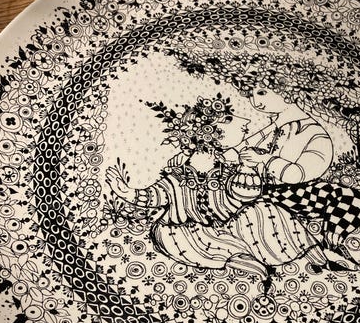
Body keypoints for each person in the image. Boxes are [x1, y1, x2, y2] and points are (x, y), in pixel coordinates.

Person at [106, 94, 327, 290]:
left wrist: (247, 169)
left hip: (226, 222)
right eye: (228, 119)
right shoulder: (178, 176)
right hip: (186, 230)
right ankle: (255, 268)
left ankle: (315, 256)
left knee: (264, 210)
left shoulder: (227, 168)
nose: (245, 122)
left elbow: (244, 197)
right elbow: (155, 195)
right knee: (193, 240)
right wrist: (126, 192)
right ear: (209, 133)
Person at [238, 85, 360, 268]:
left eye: (261, 92)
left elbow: (298, 174)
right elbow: (238, 151)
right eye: (250, 94)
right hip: (265, 192)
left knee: (352, 199)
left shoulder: (314, 133)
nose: (255, 102)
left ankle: (331, 243)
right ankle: (327, 249)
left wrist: (265, 159)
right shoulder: (272, 129)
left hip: (292, 191)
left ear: (287, 89)